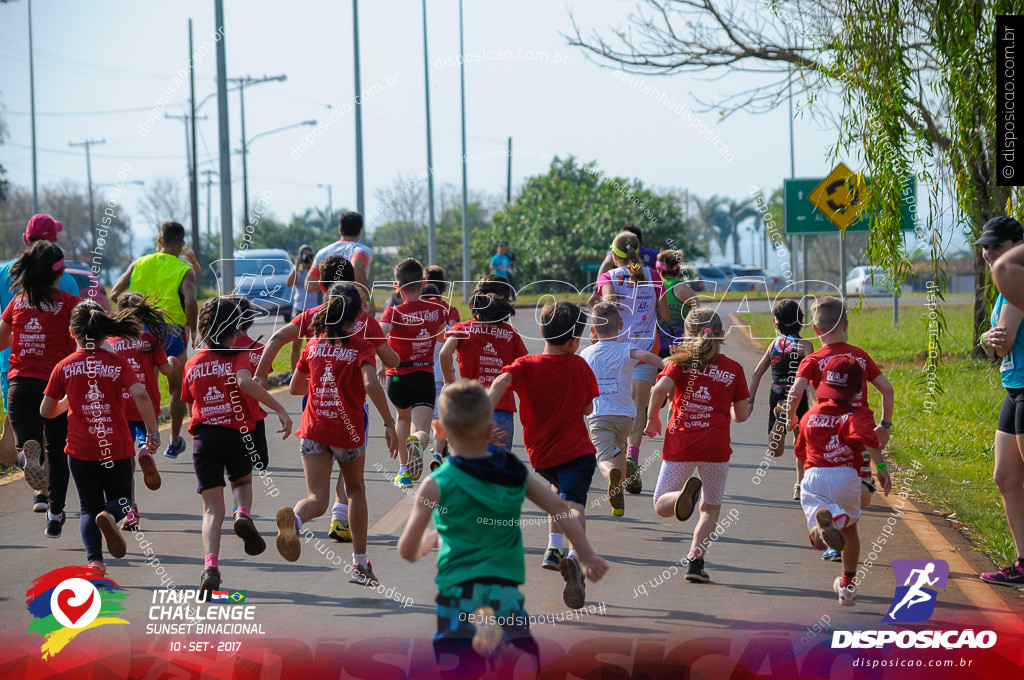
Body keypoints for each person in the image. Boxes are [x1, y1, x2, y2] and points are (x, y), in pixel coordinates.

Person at [397, 380, 609, 671]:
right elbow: (559, 508)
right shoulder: (511, 469)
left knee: (455, 665)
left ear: (440, 431)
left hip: (457, 592)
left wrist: (427, 543)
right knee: (522, 659)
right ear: (490, 428)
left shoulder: (436, 484)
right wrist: (586, 555)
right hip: (503, 589)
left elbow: (407, 550)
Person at [255, 256, 398, 543]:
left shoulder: (312, 318)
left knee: (315, 492)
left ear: (321, 284)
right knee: (352, 472)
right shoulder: (364, 321)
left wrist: (260, 376)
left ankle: (299, 519)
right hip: (350, 407)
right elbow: (390, 361)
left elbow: (275, 340)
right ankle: (341, 518)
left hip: (315, 408)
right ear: (355, 287)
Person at [275, 282, 399, 586]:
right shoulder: (361, 345)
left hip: (314, 427)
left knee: (316, 498)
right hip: (348, 432)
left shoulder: (313, 344)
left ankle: (297, 520)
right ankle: (360, 565)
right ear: (357, 315)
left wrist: (323, 386)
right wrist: (388, 422)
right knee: (355, 491)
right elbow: (371, 384)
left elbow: (294, 388)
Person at [488, 300, 600, 608]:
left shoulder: (526, 365)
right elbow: (589, 408)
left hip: (543, 457)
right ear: (575, 340)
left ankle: (553, 548)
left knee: (556, 494)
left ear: (542, 331)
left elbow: (500, 382)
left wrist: (484, 415)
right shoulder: (580, 366)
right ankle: (575, 556)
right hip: (577, 453)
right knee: (574, 503)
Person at [181, 296, 293, 593]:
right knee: (242, 481)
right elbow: (245, 382)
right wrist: (279, 408)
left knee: (210, 510)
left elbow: (188, 401)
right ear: (234, 330)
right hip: (237, 433)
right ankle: (243, 513)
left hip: (204, 440)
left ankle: (210, 566)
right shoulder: (239, 355)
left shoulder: (192, 363)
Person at [40, 301, 161, 572]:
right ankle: (111, 515)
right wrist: (152, 432)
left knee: (87, 508)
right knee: (123, 500)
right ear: (106, 333)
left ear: (73, 332)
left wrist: (68, 402)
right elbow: (140, 394)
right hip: (116, 447)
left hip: (81, 450)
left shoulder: (64, 366)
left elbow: (45, 410)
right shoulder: (116, 362)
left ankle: (95, 562)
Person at [644, 308, 750, 583]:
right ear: (722, 335)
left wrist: (652, 418)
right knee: (711, 507)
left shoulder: (680, 361)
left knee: (660, 504)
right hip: (716, 447)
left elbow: (659, 390)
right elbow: (741, 417)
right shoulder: (734, 369)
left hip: (682, 443)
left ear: (686, 335)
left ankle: (680, 498)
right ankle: (695, 561)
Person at [785, 297, 894, 528]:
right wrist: (884, 426)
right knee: (857, 492)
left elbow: (795, 392)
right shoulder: (860, 356)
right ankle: (845, 520)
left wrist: (792, 417)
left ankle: (831, 527)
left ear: (815, 329)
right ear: (845, 325)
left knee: (824, 489)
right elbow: (887, 389)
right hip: (859, 432)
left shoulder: (812, 359)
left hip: (826, 432)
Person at [795, 355, 891, 606]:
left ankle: (822, 530)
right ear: (858, 389)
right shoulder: (858, 415)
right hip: (847, 478)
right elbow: (872, 444)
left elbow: (800, 451)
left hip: (814, 478)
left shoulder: (810, 415)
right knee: (850, 529)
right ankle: (847, 585)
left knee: (818, 538)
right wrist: (881, 469)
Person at [0, 215, 79, 512]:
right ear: (58, 272)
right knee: (56, 447)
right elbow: (82, 335)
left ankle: (33, 477)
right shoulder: (68, 293)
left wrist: (23, 334)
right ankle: (52, 505)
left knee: (26, 443)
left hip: (16, 375)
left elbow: (1, 339)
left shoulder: (14, 293)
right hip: (56, 382)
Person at [111, 220, 198, 460]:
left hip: (139, 328)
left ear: (159, 241)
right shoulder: (183, 269)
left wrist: (128, 316)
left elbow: (115, 292)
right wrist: (194, 328)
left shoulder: (140, 263)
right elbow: (190, 302)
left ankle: (135, 438)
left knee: (137, 381)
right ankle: (173, 441)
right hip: (171, 330)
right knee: (175, 386)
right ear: (181, 244)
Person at [595, 230, 669, 495]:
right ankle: (633, 457)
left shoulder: (608, 277)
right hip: (647, 348)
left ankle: (617, 461)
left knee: (615, 403)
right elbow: (665, 313)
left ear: (614, 255)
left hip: (615, 352)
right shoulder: (654, 276)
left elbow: (607, 306)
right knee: (638, 406)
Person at [975, 217, 1024, 585]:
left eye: (998, 246)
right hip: (1014, 389)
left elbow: (1001, 343)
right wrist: (986, 340)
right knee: (1005, 477)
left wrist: (990, 340)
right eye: (986, 246)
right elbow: (993, 347)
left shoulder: (1015, 285)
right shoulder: (1002, 290)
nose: (989, 252)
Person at [580, 302, 662, 517]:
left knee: (604, 459)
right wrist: (670, 369)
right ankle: (618, 502)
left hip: (600, 415)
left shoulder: (586, 353)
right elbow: (648, 357)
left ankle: (610, 475)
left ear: (593, 330)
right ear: (621, 326)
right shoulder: (627, 349)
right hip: (627, 416)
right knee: (619, 451)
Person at [439, 276, 526, 468]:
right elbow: (524, 366)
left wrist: (448, 382)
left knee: (470, 468)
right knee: (499, 468)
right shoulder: (511, 334)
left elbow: (445, 353)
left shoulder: (462, 328)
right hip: (502, 410)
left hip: (470, 408)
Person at [108, 293, 176, 530]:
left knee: (125, 464)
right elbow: (167, 370)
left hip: (119, 407)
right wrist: (174, 361)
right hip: (145, 404)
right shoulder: (149, 339)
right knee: (140, 438)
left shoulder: (112, 341)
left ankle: (130, 511)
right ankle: (144, 448)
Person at [380, 258, 447, 488]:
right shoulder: (437, 311)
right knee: (422, 430)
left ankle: (403, 472)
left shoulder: (393, 312)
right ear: (424, 282)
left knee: (402, 417)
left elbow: (380, 335)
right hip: (423, 376)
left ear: (396, 286)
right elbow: (440, 338)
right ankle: (417, 444)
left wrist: (386, 357)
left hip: (396, 378)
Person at [747, 299, 814, 502]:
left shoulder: (774, 344)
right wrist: (817, 400)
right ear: (800, 321)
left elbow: (757, 373)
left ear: (776, 322)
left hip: (777, 392)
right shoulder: (804, 345)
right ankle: (799, 485)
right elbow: (813, 374)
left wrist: (750, 400)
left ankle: (781, 419)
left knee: (774, 451)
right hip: (798, 394)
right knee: (801, 443)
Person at [423, 266, 461, 469]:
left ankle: (420, 444)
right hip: (442, 374)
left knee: (419, 418)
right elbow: (454, 338)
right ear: (444, 287)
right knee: (441, 417)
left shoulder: (416, 317)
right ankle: (437, 452)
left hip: (419, 373)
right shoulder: (449, 311)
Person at [306, 212, 374, 315]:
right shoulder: (362, 250)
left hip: (330, 309)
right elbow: (356, 267)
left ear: (340, 230)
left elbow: (309, 286)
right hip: (357, 309)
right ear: (360, 231)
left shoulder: (323, 252)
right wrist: (370, 300)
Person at [284, 244, 322, 379]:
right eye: (306, 256)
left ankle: (314, 373)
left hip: (314, 311)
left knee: (315, 345)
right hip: (299, 309)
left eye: (311, 256)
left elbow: (322, 283)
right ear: (300, 256)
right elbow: (289, 283)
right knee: (296, 345)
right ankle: (294, 375)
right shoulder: (298, 270)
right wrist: (297, 265)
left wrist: (313, 266)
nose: (308, 258)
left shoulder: (316, 270)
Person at [654, 249, 699, 358]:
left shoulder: (652, 288)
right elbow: (698, 322)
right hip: (680, 349)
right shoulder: (687, 291)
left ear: (657, 268)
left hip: (654, 348)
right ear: (678, 269)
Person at [594, 223, 659, 278]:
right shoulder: (654, 254)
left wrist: (596, 290)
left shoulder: (616, 252)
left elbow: (608, 263)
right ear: (641, 242)